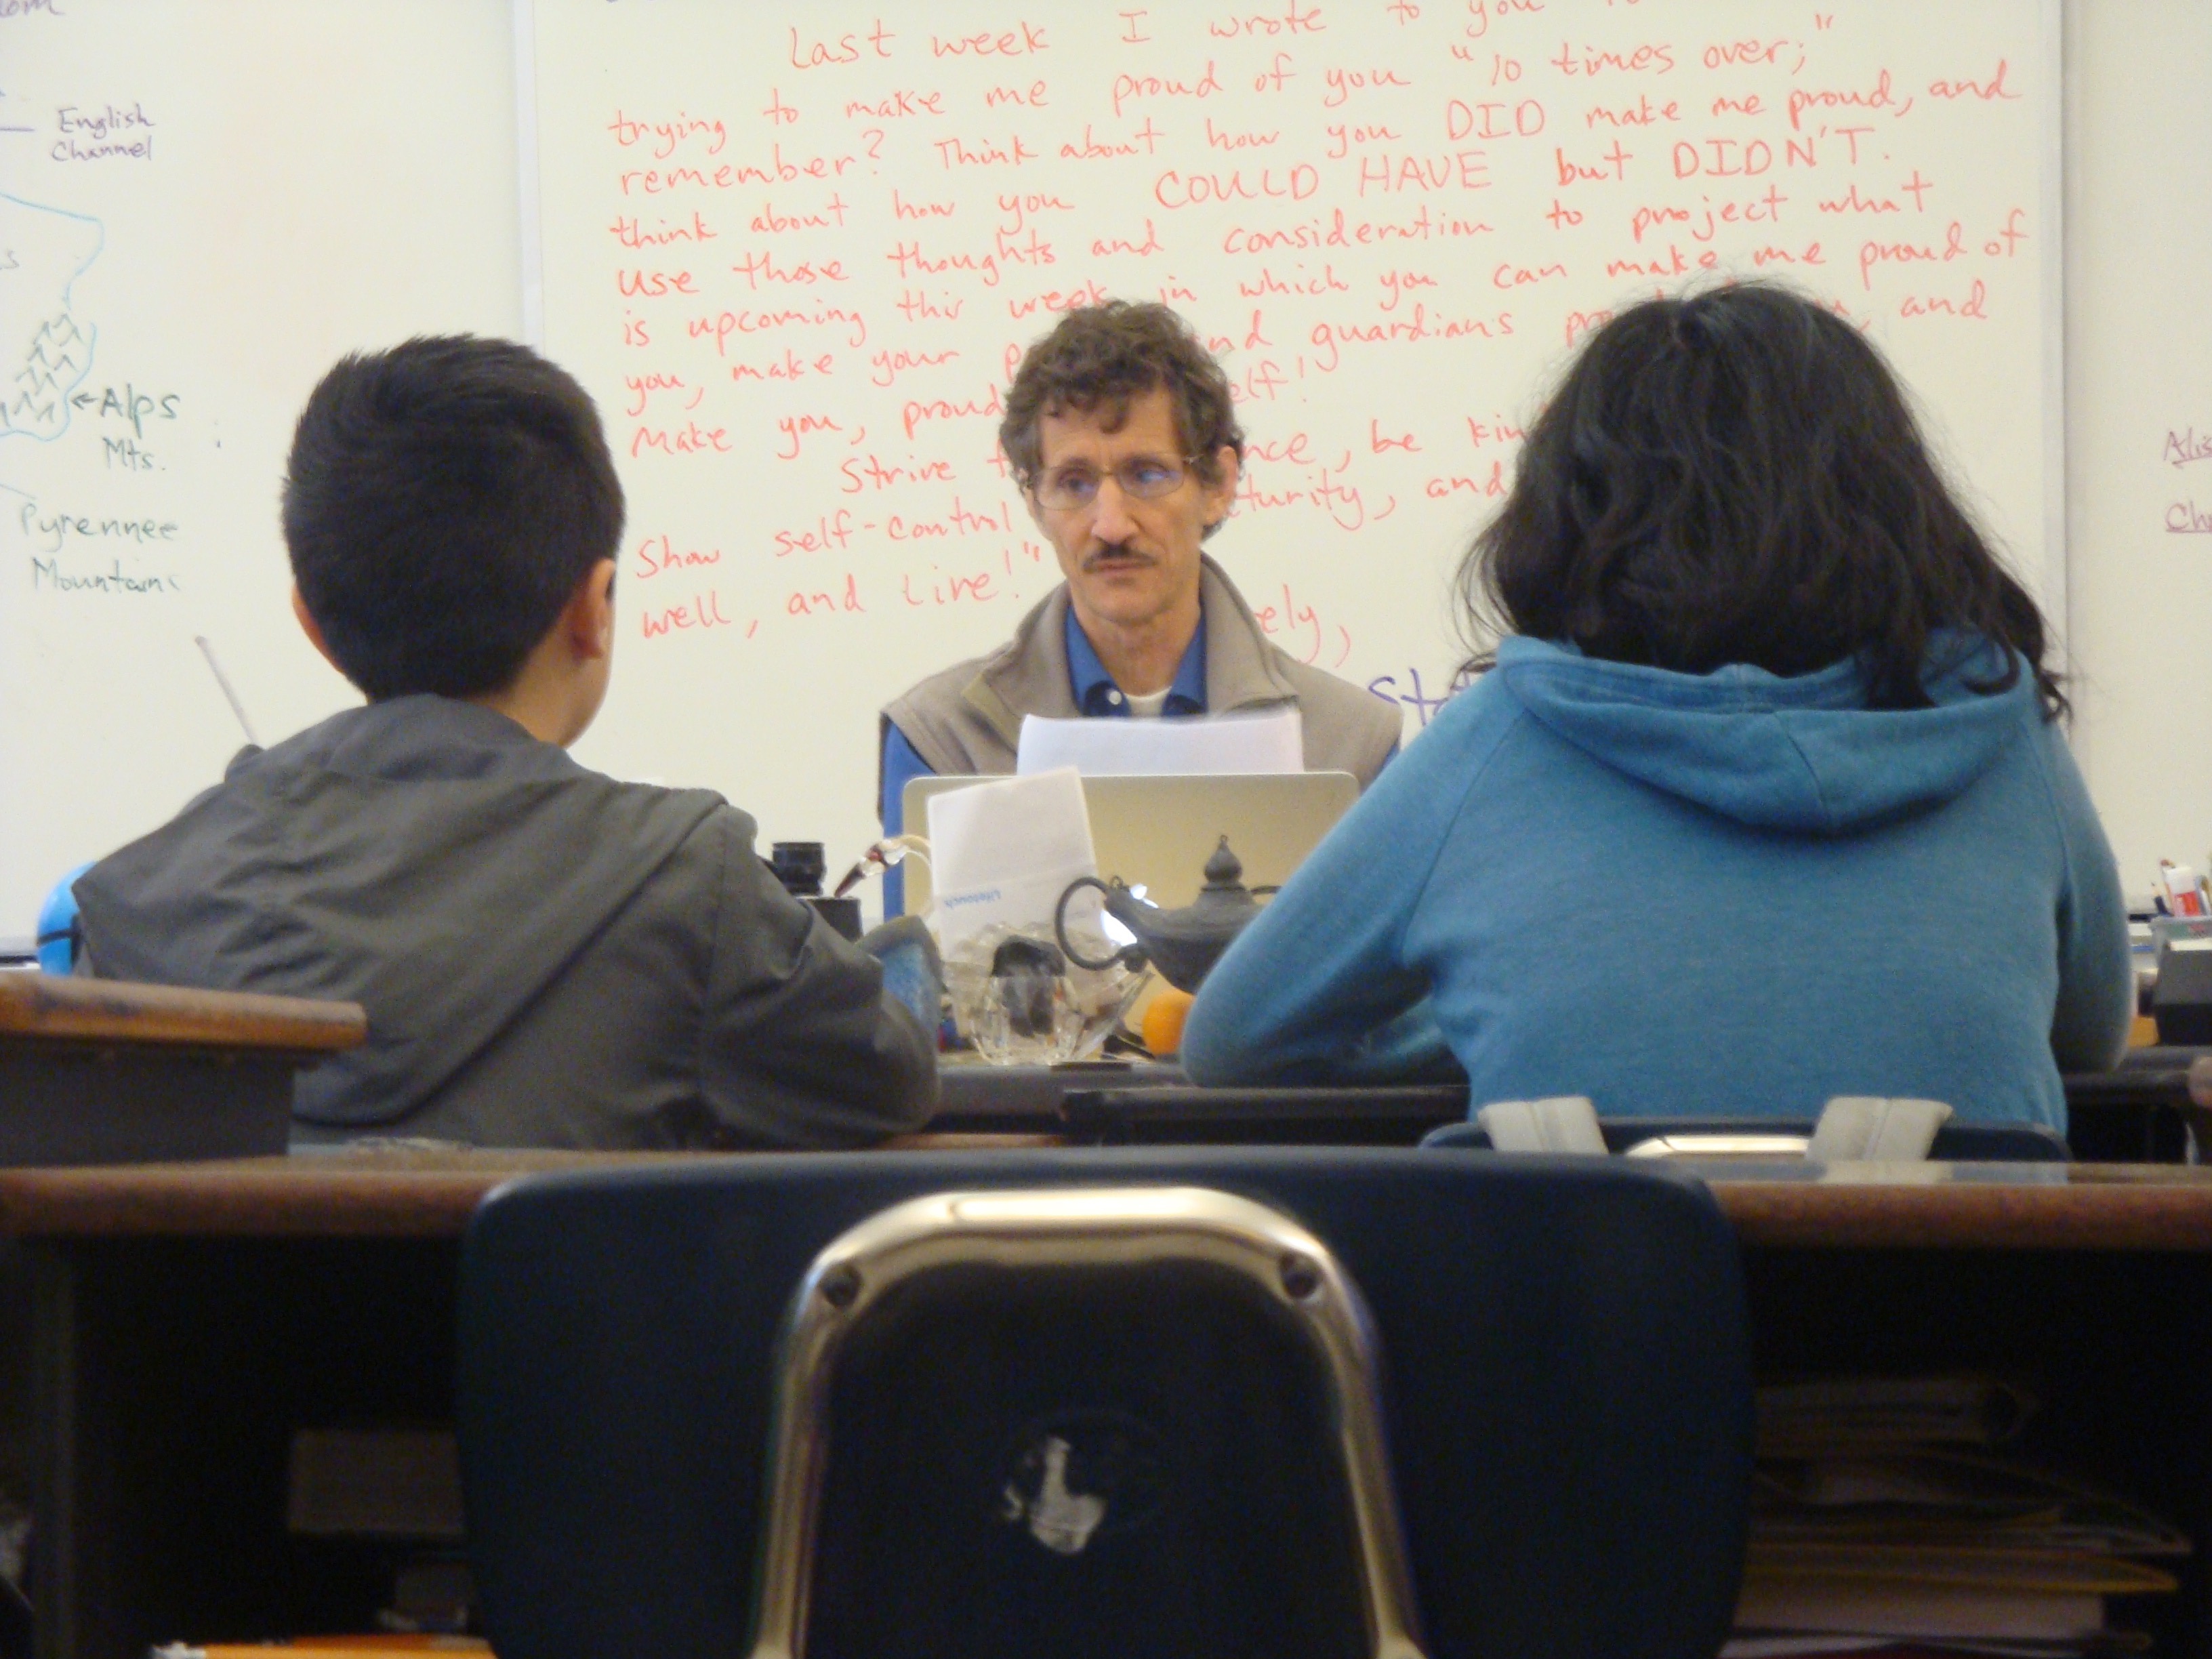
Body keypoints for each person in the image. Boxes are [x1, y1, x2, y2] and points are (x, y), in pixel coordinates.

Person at [1181, 283, 2131, 1130]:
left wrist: (1485, 1016)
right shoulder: (1998, 730)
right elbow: (2091, 1037)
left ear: (1573, 508)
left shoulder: (1496, 742)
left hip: (1586, 1281)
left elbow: (1233, 1039)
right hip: (1960, 1281)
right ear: (1888, 499)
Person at [72, 335, 937, 1149]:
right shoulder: (685, 886)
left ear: (315, 626)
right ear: (593, 608)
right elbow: (890, 1077)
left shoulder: (136, 909)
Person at [877, 301, 1402, 910]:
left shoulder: (1347, 748)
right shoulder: (945, 742)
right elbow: (915, 968)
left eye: (1147, 475)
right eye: (1074, 483)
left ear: (1219, 484)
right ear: (1035, 502)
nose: (1111, 525)